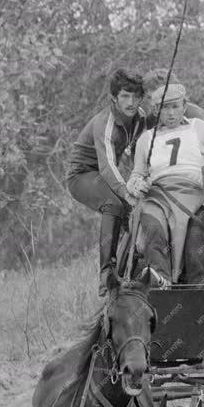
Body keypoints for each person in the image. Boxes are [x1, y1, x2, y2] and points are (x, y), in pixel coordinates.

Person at [127, 83, 204, 284]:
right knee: (153, 229)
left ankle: (198, 290)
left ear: (184, 106)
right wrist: (135, 184)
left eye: (175, 106)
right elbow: (136, 174)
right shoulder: (146, 139)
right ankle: (160, 282)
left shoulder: (200, 128)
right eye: (164, 108)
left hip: (195, 196)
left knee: (195, 237)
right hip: (157, 197)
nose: (170, 113)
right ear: (156, 111)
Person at [66, 68, 145, 296]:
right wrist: (126, 190)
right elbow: (107, 165)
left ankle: (131, 271)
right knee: (115, 205)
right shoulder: (105, 123)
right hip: (82, 175)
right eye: (124, 96)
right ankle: (106, 274)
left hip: (104, 175)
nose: (131, 102)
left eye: (135, 96)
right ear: (114, 97)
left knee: (137, 214)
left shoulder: (140, 118)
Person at [141, 69, 204, 134]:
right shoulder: (151, 120)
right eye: (149, 98)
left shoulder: (193, 115)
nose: (152, 103)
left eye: (159, 98)